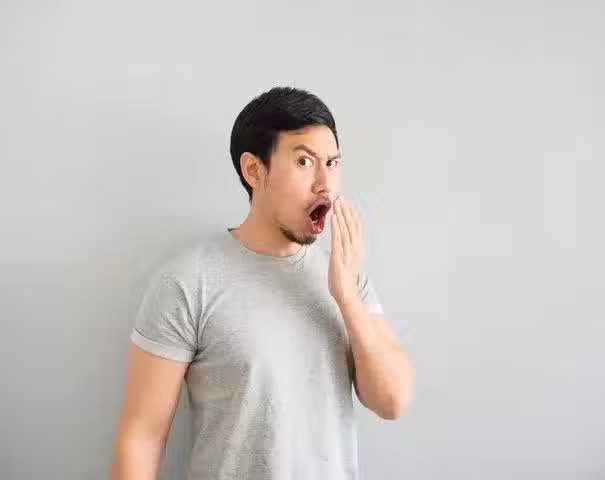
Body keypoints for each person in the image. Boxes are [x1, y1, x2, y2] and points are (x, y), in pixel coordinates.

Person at [110, 86, 414, 480]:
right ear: (254, 170)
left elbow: (392, 401)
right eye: (304, 162)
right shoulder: (187, 281)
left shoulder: (346, 276)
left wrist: (346, 297)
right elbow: (141, 438)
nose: (325, 184)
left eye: (332, 163)